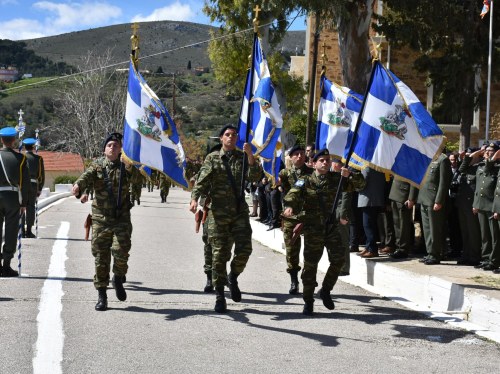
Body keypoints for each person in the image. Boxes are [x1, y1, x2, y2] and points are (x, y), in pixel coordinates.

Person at [189, 125, 262, 313]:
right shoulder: (212, 158)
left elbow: (255, 177)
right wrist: (194, 199)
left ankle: (234, 276)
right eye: (227, 135)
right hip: (218, 213)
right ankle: (220, 295)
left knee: (245, 249)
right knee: (219, 255)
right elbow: (202, 181)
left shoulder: (242, 157)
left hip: (238, 211)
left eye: (234, 135)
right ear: (221, 138)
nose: (231, 137)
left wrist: (250, 155)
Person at [283, 149, 365, 315]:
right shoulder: (304, 180)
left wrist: (350, 175)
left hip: (330, 227)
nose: (325, 163)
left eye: (327, 160)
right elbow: (293, 194)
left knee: (339, 260)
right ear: (314, 164)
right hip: (313, 228)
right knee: (310, 265)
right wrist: (290, 206)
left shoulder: (337, 179)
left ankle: (326, 290)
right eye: (321, 160)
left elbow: (360, 185)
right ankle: (308, 300)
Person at [72, 132, 140, 311]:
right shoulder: (97, 166)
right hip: (101, 219)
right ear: (104, 149)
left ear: (120, 150)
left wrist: (130, 168)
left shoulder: (126, 166)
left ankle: (118, 277)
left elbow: (138, 182)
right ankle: (102, 295)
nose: (113, 147)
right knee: (101, 258)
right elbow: (86, 177)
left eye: (116, 145)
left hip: (121, 218)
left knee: (121, 252)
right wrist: (79, 186)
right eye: (109, 145)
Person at [277, 144, 312, 294]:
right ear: (291, 157)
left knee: (311, 250)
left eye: (302, 154)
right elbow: (282, 189)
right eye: (296, 154)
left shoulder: (312, 173)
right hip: (291, 216)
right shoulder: (285, 173)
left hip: (309, 215)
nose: (299, 156)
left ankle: (309, 278)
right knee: (291, 250)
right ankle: (294, 280)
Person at [0, 127, 30, 277]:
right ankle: (6, 265)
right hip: (12, 197)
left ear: (1, 140)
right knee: (11, 231)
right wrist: (24, 203)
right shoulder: (21, 158)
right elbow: (25, 183)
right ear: (13, 140)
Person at [417, 150, 452, 265]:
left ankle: (436, 254)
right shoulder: (428, 157)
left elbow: (443, 182)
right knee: (427, 229)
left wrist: (439, 200)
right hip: (424, 198)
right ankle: (430, 252)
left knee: (434, 229)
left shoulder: (443, 160)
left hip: (433, 200)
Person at [388, 178, 418, 259]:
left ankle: (403, 249)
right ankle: (398, 248)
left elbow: (414, 180)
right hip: (395, 193)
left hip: (404, 194)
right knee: (397, 224)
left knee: (403, 225)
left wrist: (411, 198)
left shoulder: (411, 164)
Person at [21, 137, 45, 238]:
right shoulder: (38, 159)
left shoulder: (21, 157)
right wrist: (40, 187)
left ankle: (22, 231)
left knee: (22, 206)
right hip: (33, 185)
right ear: (33, 147)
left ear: (24, 147)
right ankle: (29, 231)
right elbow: (41, 174)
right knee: (31, 207)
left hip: (22, 185)